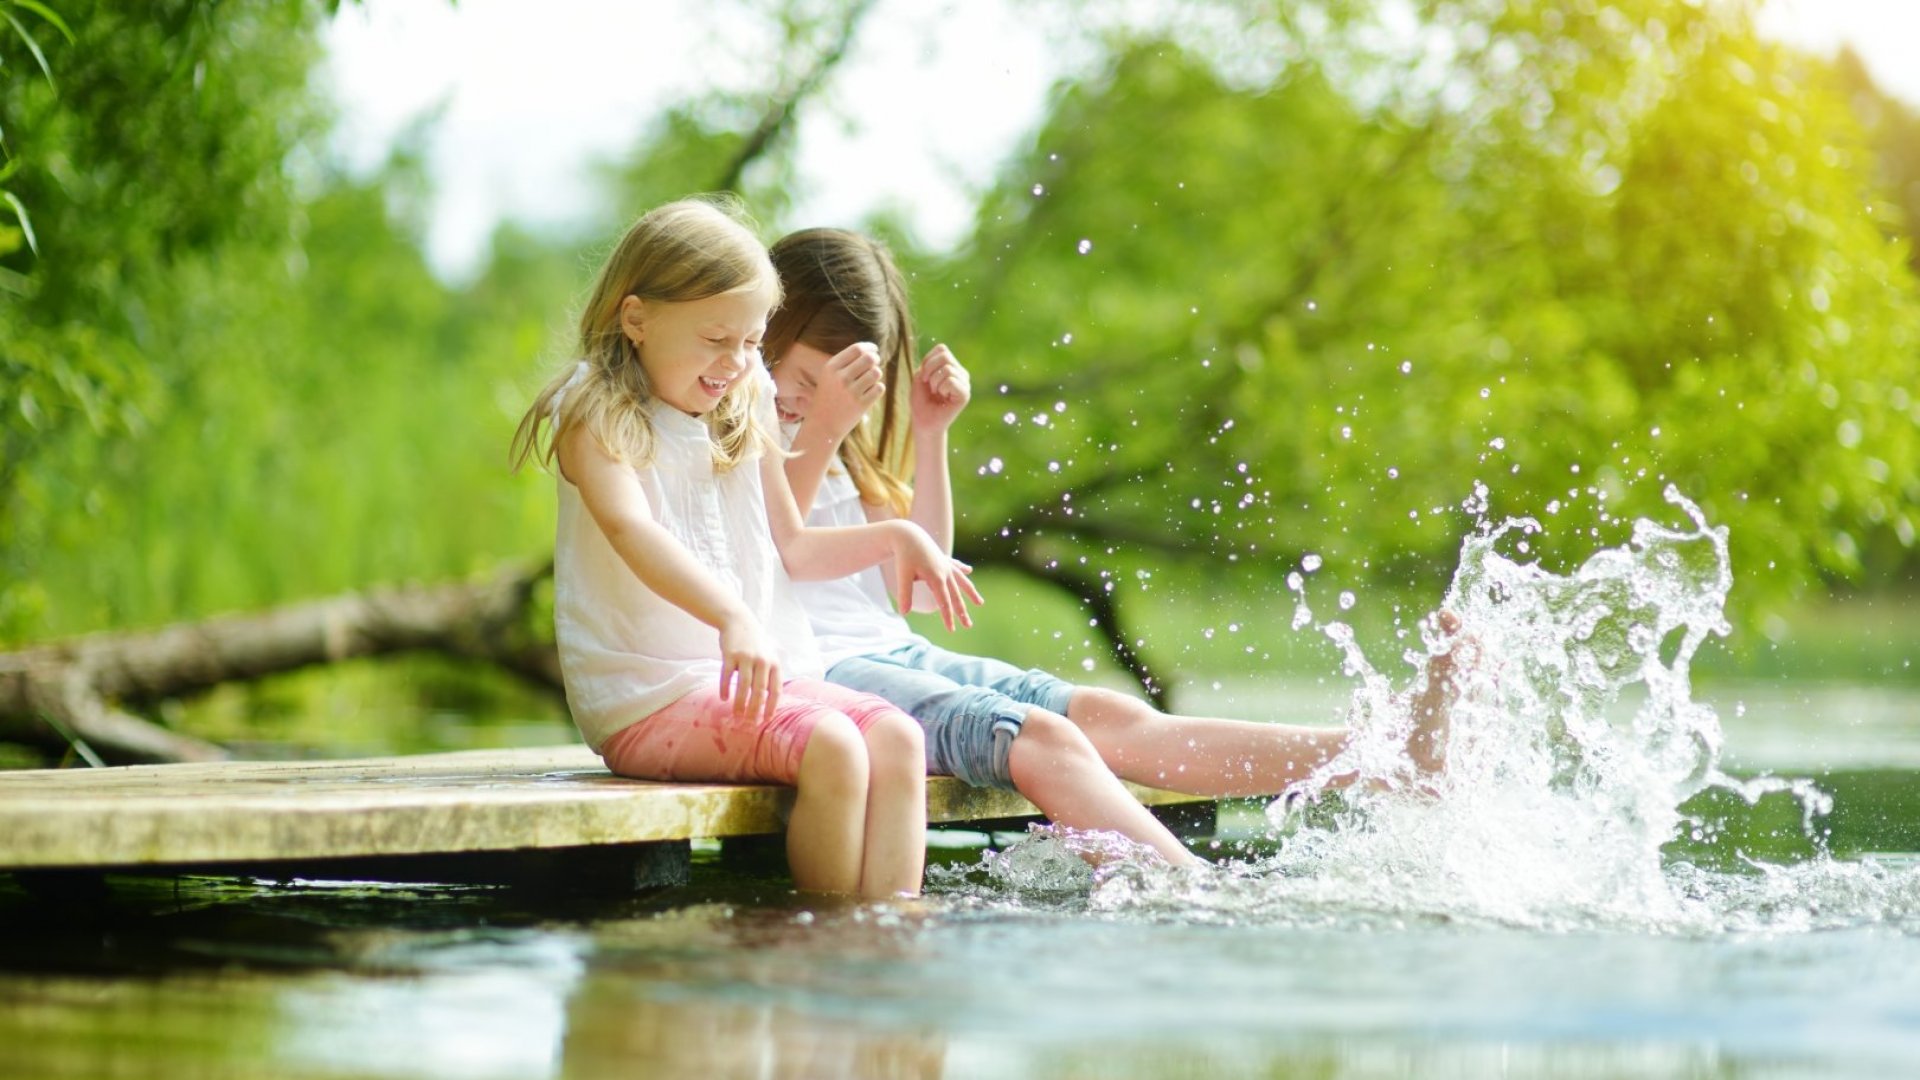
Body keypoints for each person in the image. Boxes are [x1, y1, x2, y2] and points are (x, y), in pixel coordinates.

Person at [762, 227, 1459, 868]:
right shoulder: (747, 435)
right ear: (768, 337)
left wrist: (931, 431)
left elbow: (916, 588)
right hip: (827, 675)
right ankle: (1189, 891)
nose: (814, 401)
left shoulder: (845, 451)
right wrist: (822, 425)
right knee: (1044, 738)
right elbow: (774, 551)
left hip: (894, 651)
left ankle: (1386, 755)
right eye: (804, 380)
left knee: (1113, 715)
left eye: (848, 383)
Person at [509, 200, 981, 900]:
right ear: (636, 319)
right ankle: (813, 951)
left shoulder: (745, 396)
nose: (735, 362)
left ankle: (886, 944)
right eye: (716, 339)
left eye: (752, 342)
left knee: (899, 739)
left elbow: (789, 539)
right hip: (650, 695)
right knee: (833, 746)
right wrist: (732, 616)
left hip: (757, 684)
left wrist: (899, 533)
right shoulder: (596, 412)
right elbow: (632, 531)